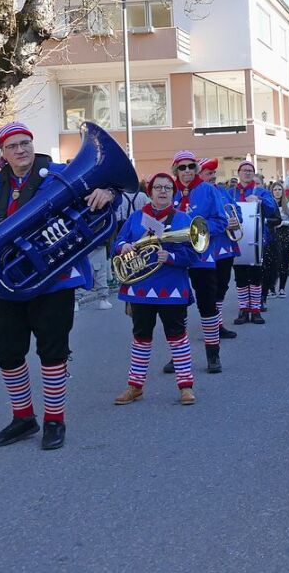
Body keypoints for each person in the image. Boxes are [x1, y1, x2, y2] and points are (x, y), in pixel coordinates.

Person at [0, 121, 115, 451]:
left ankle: (55, 420)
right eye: (13, 146)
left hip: (55, 279)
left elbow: (111, 187)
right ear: (3, 153)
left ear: (32, 143)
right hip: (9, 283)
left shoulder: (57, 173)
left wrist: (106, 193)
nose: (20, 150)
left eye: (25, 143)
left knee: (52, 352)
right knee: (8, 352)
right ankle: (24, 418)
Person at [113, 172, 198, 404]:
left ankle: (186, 386)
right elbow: (117, 243)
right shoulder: (136, 217)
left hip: (172, 289)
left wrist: (169, 256)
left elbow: (192, 255)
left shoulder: (182, 219)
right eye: (158, 187)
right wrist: (124, 247)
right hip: (140, 288)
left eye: (168, 188)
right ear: (149, 192)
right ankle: (135, 386)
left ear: (173, 192)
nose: (162, 191)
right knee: (141, 338)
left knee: (177, 337)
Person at [170, 150, 229, 372]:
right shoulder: (169, 189)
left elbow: (221, 221)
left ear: (196, 169)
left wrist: (200, 231)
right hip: (176, 257)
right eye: (182, 167)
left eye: (191, 166)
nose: (187, 171)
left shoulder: (208, 191)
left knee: (207, 305)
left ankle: (213, 354)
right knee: (176, 307)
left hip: (202, 256)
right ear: (176, 170)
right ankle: (178, 355)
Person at [227, 160, 278, 325]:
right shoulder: (231, 192)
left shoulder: (261, 191)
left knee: (256, 275)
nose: (247, 173)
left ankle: (256, 309)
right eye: (244, 170)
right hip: (237, 238)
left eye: (250, 170)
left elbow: (273, 210)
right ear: (239, 172)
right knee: (240, 275)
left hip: (257, 239)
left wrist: (260, 201)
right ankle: (243, 309)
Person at [196, 158, 239, 341]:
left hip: (225, 247)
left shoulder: (222, 191)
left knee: (222, 285)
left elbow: (236, 208)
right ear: (200, 175)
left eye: (214, 173)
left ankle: (218, 323)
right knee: (208, 289)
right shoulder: (196, 193)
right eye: (208, 173)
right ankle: (211, 325)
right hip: (206, 248)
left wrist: (237, 220)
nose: (213, 176)